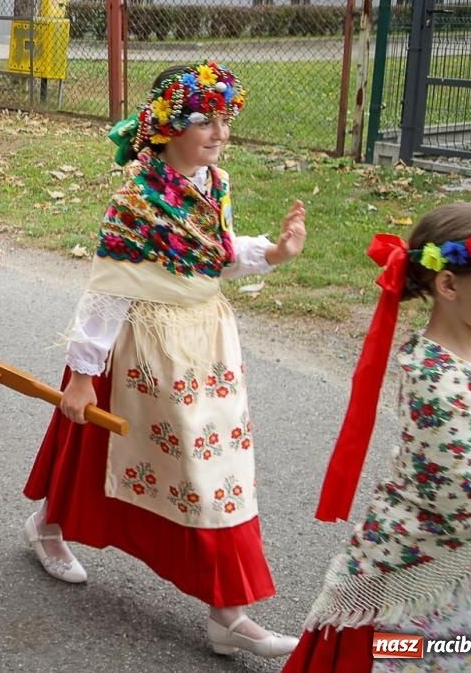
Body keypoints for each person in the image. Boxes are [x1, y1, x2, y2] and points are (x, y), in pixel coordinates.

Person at [20, 62, 306, 658]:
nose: (220, 132)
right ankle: (51, 528)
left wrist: (272, 253)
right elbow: (108, 288)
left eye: (225, 119)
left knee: (211, 467)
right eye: (204, 120)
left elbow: (214, 256)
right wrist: (83, 375)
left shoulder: (215, 183)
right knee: (154, 460)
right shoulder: (137, 197)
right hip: (150, 343)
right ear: (168, 125)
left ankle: (225, 613)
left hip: (207, 341)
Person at [283, 203, 471, 672]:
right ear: (448, 285)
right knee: (415, 651)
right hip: (425, 559)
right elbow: (468, 492)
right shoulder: (433, 378)